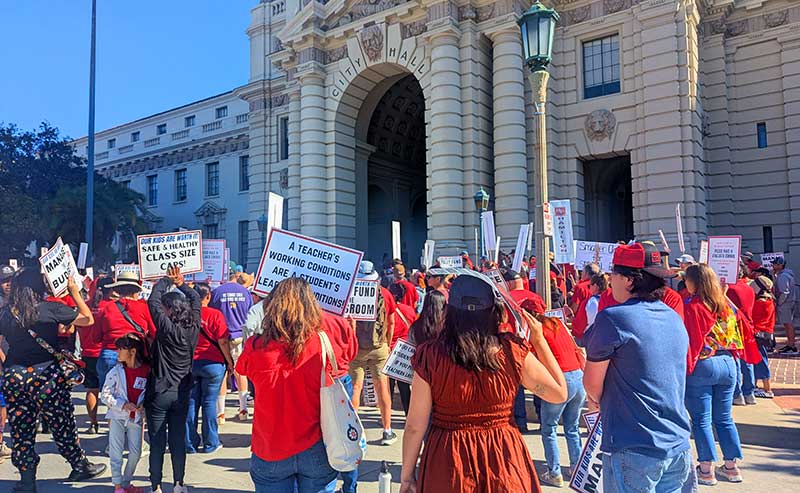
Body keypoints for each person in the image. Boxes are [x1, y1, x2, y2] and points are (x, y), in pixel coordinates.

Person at [400, 275, 568, 493]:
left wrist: (407, 476)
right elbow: (559, 393)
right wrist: (539, 340)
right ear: (493, 311)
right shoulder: (512, 352)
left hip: (449, 456)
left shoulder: (430, 356)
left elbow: (414, 426)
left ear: (450, 311)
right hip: (504, 455)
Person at [582, 242, 692, 493]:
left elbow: (592, 385)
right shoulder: (672, 316)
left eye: (613, 274)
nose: (610, 280)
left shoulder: (613, 317)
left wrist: (599, 399)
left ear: (630, 280)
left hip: (634, 446)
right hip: (677, 444)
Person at [236, 277, 353, 493]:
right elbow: (348, 356)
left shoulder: (255, 347)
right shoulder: (323, 343)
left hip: (270, 446)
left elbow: (243, 370)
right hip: (317, 445)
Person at [0, 268, 106, 492]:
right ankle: (79, 464)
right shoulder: (49, 308)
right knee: (62, 422)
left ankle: (27, 480)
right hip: (46, 375)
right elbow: (87, 319)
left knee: (21, 428)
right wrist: (75, 292)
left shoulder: (5, 313)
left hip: (14, 374)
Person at [682, 263, 758, 485]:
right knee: (724, 418)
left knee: (701, 419)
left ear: (694, 282)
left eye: (687, 279)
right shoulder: (726, 305)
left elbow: (690, 339)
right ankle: (732, 466)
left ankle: (706, 470)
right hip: (729, 363)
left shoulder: (693, 306)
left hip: (704, 363)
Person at [146, 265, 202, 493]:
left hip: (160, 391)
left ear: (169, 310)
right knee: (178, 440)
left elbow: (152, 301)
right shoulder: (194, 327)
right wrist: (180, 284)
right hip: (182, 392)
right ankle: (179, 484)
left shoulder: (167, 328)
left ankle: (156, 486)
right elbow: (196, 299)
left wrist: (166, 281)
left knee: (157, 443)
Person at [349, 260, 398, 445]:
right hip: (379, 347)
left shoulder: (352, 294)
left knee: (355, 388)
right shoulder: (384, 294)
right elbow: (391, 322)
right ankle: (387, 430)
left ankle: (353, 430)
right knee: (382, 388)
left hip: (357, 347)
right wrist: (388, 341)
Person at [535, 314, 586, 487]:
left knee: (549, 428)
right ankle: (576, 467)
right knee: (572, 427)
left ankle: (554, 473)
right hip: (578, 376)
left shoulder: (537, 330)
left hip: (560, 379)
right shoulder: (558, 324)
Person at [186, 282, 235, 454]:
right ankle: (210, 442)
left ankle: (189, 443)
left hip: (190, 363)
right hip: (213, 364)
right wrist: (229, 361)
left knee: (191, 403)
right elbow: (222, 340)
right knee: (209, 402)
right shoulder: (215, 315)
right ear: (208, 297)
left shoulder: (186, 315)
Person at [100, 333, 150, 493]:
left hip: (136, 419)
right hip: (117, 416)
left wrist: (144, 404)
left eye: (121, 349)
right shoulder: (115, 371)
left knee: (136, 453)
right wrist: (122, 405)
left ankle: (127, 482)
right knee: (116, 452)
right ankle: (118, 486)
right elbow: (105, 395)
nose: (117, 352)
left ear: (133, 351)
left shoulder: (147, 370)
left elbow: (150, 392)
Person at [94, 271, 156, 389]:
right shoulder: (144, 308)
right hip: (134, 356)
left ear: (117, 289)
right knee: (134, 394)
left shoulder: (106, 308)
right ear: (136, 290)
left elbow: (95, 338)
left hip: (109, 354)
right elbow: (154, 333)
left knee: (110, 397)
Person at [502, 268, 546, 433]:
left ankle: (521, 422)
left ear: (510, 283)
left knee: (518, 387)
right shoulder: (536, 297)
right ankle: (543, 419)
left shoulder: (506, 299)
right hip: (536, 347)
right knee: (539, 385)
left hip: (515, 348)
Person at [210, 274, 253, 421]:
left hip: (221, 337)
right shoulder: (245, 293)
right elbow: (250, 313)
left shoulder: (216, 292)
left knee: (222, 373)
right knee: (240, 371)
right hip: (240, 335)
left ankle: (220, 412)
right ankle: (243, 409)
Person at [79, 276, 116, 434]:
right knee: (112, 392)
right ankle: (112, 427)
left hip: (88, 353)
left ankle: (93, 424)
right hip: (107, 353)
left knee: (91, 389)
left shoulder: (85, 306)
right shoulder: (112, 307)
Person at [726, 266, 757, 406]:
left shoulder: (730, 289)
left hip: (737, 326)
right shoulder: (749, 288)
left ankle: (737, 394)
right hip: (748, 325)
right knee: (748, 360)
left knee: (736, 360)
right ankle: (749, 393)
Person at [388, 282, 417, 415]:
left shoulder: (388, 311)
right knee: (404, 387)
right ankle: (408, 414)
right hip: (406, 350)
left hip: (391, 349)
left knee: (388, 387)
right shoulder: (410, 310)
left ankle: (386, 416)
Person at [751, 276, 776, 398]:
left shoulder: (760, 302)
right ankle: (755, 386)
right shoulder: (769, 300)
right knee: (758, 360)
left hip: (758, 334)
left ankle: (767, 389)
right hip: (765, 334)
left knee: (761, 361)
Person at [772, 257, 797, 353]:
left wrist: (779, 303)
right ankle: (790, 344)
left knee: (788, 324)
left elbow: (784, 292)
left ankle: (791, 345)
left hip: (786, 303)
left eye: (774, 264)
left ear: (780, 265)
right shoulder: (784, 275)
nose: (773, 265)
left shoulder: (783, 276)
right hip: (789, 302)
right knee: (788, 324)